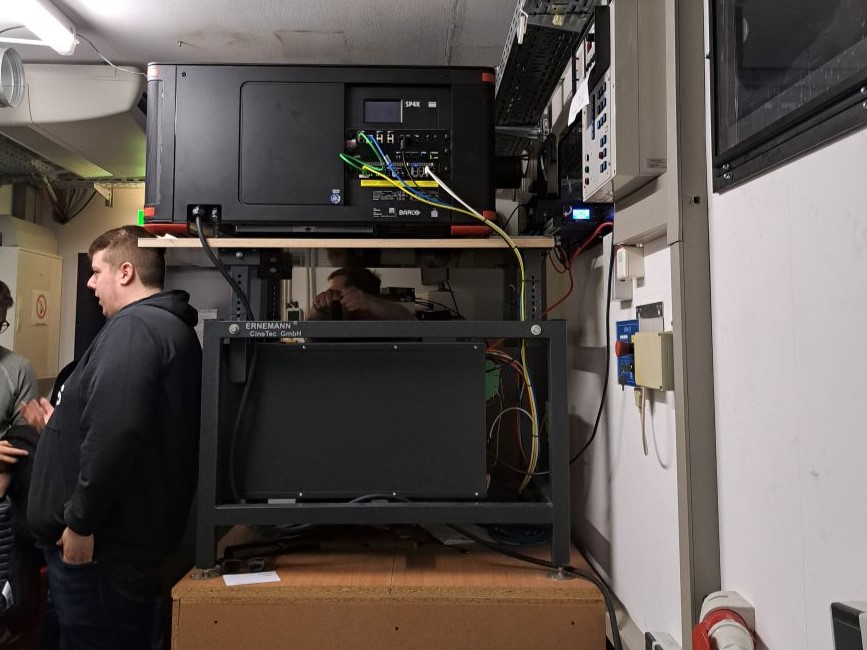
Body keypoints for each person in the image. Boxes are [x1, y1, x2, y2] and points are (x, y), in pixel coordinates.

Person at [20, 225, 202, 650]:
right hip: (117, 551)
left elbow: (116, 432)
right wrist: (61, 431)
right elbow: (119, 421)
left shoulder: (136, 327)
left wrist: (81, 522)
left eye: (96, 271)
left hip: (103, 553)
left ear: (125, 272)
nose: (89, 283)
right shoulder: (159, 327)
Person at [308, 268, 415, 321]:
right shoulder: (331, 328)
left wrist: (369, 302)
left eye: (334, 293)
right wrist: (317, 307)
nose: (330, 298)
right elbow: (306, 329)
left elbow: (412, 324)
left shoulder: (382, 333)